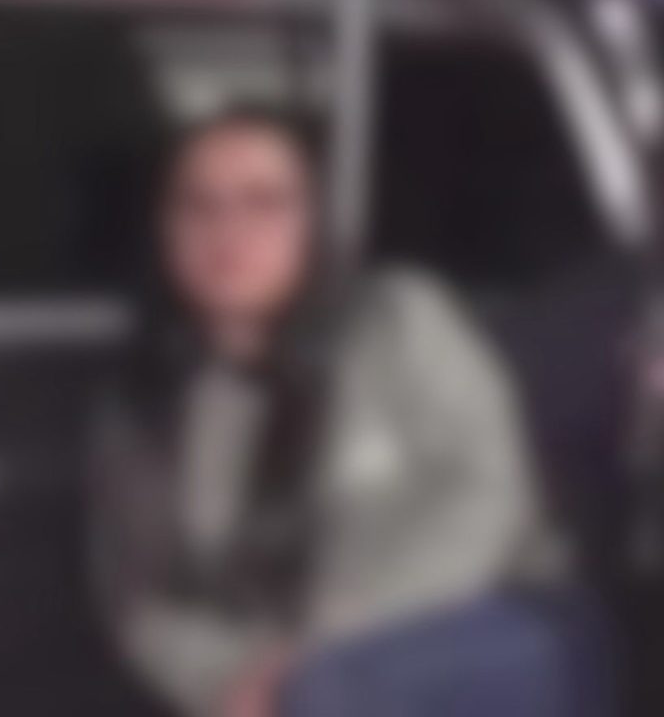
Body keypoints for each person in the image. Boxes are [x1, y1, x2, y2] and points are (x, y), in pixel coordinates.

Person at [90, 107, 615, 717]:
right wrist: (227, 685)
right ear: (166, 230)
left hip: (488, 616)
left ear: (313, 223)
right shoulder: (145, 401)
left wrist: (311, 646)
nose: (228, 230)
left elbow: (487, 497)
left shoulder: (399, 321)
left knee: (332, 688)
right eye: (199, 206)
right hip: (299, 677)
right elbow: (141, 602)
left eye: (264, 203)